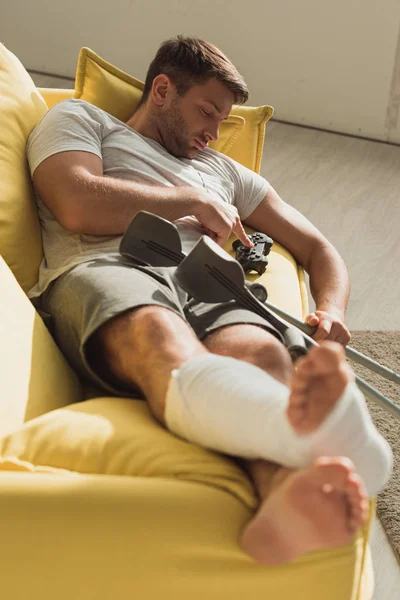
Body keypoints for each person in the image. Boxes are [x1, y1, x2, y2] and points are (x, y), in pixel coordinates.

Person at [26, 35, 392, 566]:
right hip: (109, 266)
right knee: (157, 335)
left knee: (262, 356)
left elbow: (319, 249)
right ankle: (338, 438)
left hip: (211, 284)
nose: (214, 134)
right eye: (207, 112)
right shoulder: (82, 120)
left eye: (223, 121)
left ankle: (282, 504)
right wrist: (193, 201)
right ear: (162, 89)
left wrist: (331, 310)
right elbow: (75, 201)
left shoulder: (226, 173)